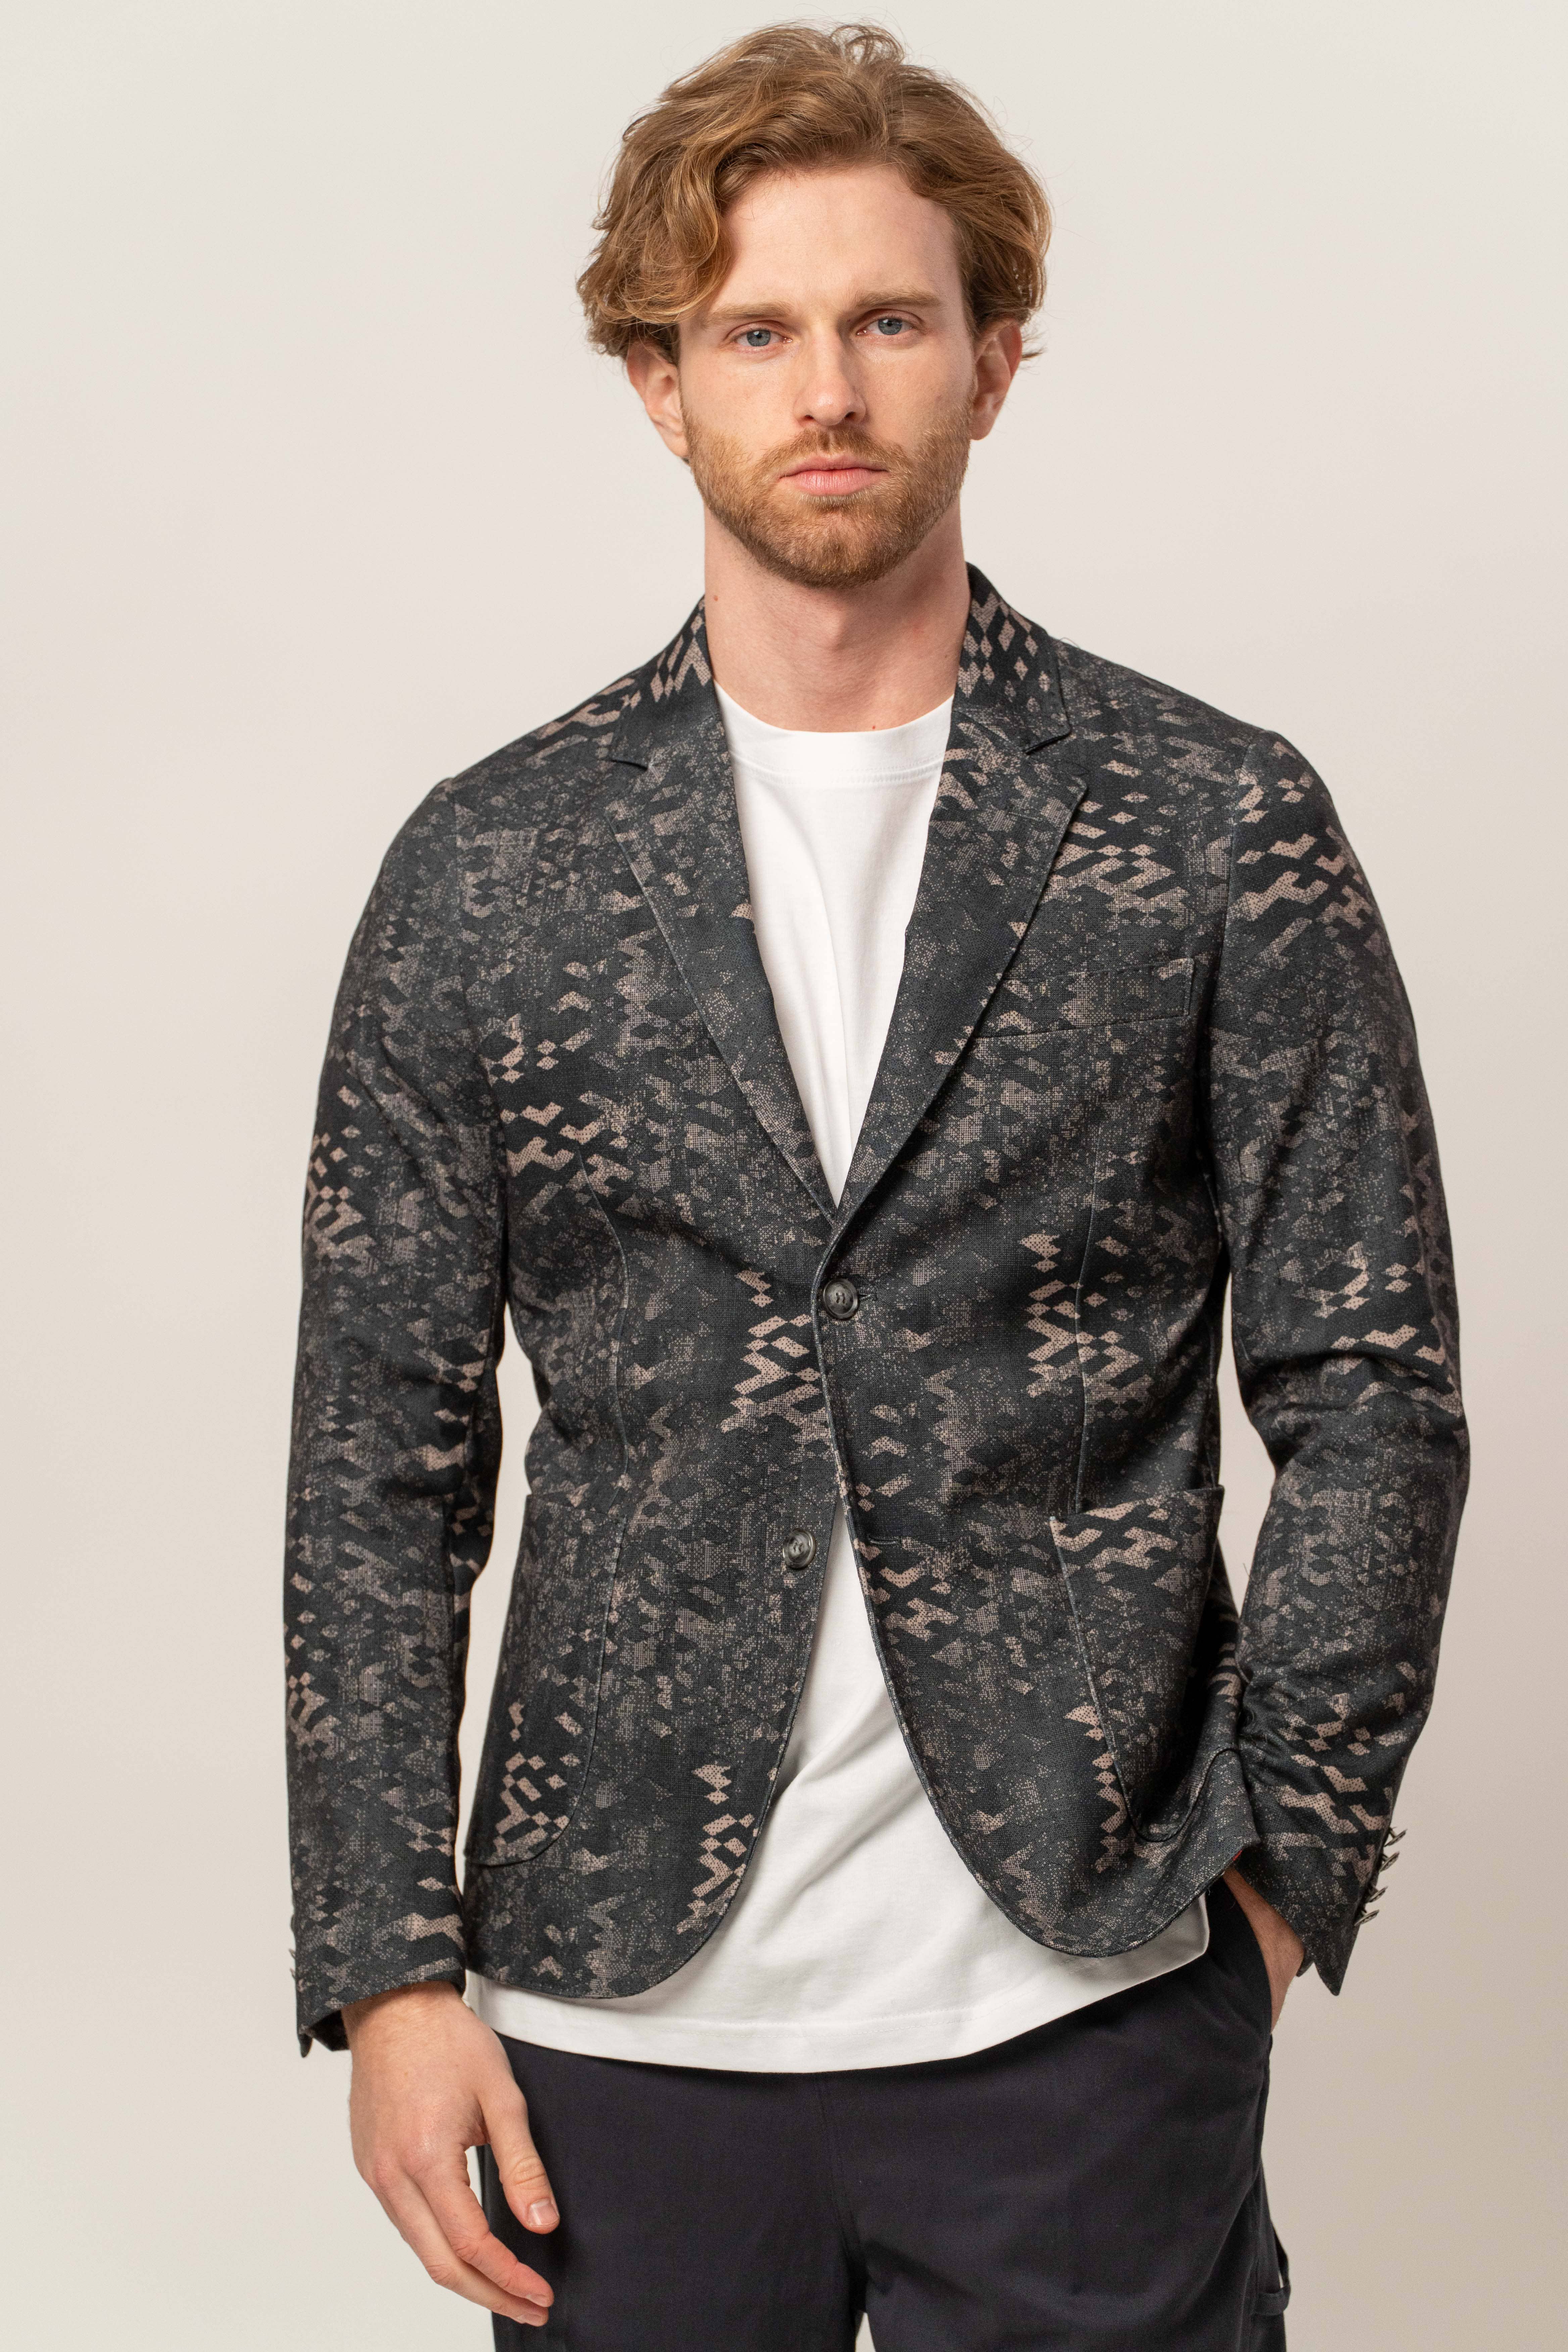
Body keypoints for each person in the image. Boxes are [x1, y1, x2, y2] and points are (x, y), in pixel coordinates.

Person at [284, 23, 1467, 2349]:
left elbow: (1372, 1383)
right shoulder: (491, 868)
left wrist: (1282, 1876)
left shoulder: (1213, 824)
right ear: (661, 383)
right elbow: (375, 1462)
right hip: (611, 2037)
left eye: (889, 319)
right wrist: (389, 1969)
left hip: (1085, 2008)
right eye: (755, 331)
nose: (826, 389)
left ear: (994, 358)